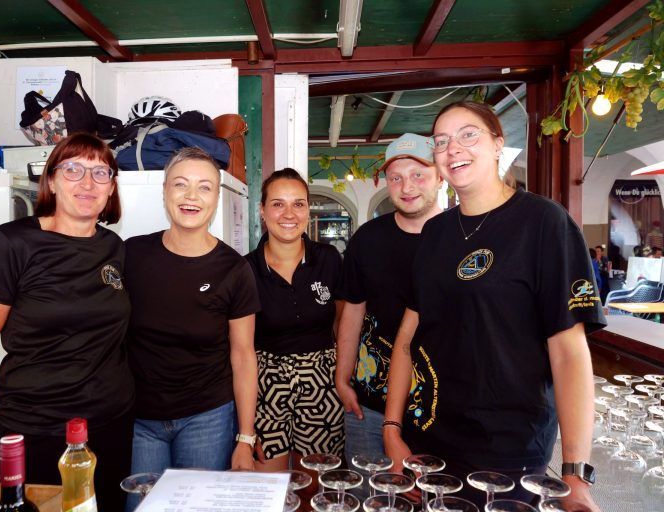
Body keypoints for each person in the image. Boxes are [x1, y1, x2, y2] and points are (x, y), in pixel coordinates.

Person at [383, 101, 605, 510]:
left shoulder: (544, 223)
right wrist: (392, 430)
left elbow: (570, 352)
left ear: (498, 144)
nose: (453, 149)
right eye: (442, 141)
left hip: (510, 449)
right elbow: (406, 339)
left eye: (469, 135)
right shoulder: (435, 233)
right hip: (429, 439)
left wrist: (574, 472)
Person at [0, 133, 134, 511]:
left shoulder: (113, 248)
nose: (87, 183)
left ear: (111, 187)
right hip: (32, 433)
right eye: (73, 169)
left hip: (109, 429)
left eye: (100, 173)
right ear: (50, 180)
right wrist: (1, 429)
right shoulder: (8, 245)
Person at [124, 147, 260, 509]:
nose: (191, 196)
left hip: (208, 418)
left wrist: (245, 437)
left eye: (204, 187)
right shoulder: (131, 255)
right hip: (139, 419)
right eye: (180, 185)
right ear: (165, 191)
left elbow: (244, 356)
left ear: (216, 197)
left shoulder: (234, 269)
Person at [335, 133, 443, 470]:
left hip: (439, 407)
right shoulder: (368, 238)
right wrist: (342, 376)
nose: (407, 186)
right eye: (396, 177)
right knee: (369, 500)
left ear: (441, 176)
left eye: (418, 175)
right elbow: (353, 311)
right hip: (368, 403)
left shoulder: (460, 239)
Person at [245, 168, 345, 472]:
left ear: (307, 210)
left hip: (323, 383)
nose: (289, 213)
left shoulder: (329, 258)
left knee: (314, 488)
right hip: (266, 385)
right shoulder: (245, 270)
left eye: (298, 204)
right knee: (267, 487)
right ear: (262, 211)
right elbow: (240, 349)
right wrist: (246, 426)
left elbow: (342, 324)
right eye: (278, 204)